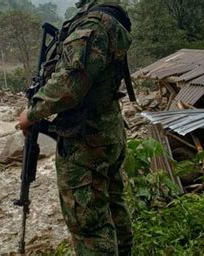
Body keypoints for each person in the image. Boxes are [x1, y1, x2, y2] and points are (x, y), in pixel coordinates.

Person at [18, 0, 133, 255]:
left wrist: (32, 112)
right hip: (106, 131)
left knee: (89, 225)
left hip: (86, 140)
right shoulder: (112, 18)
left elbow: (70, 84)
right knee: (113, 207)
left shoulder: (93, 25)